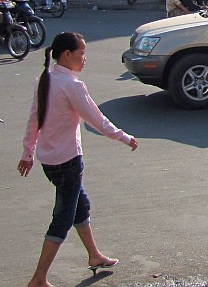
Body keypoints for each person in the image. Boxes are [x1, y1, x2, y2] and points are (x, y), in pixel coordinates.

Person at [19, 32, 138, 287]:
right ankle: (38, 278)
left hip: (49, 161)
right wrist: (124, 137)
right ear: (67, 55)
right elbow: (97, 120)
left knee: (80, 205)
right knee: (63, 217)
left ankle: (94, 255)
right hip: (67, 162)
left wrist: (28, 153)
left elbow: (33, 120)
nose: (85, 58)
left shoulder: (45, 79)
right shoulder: (71, 85)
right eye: (82, 53)